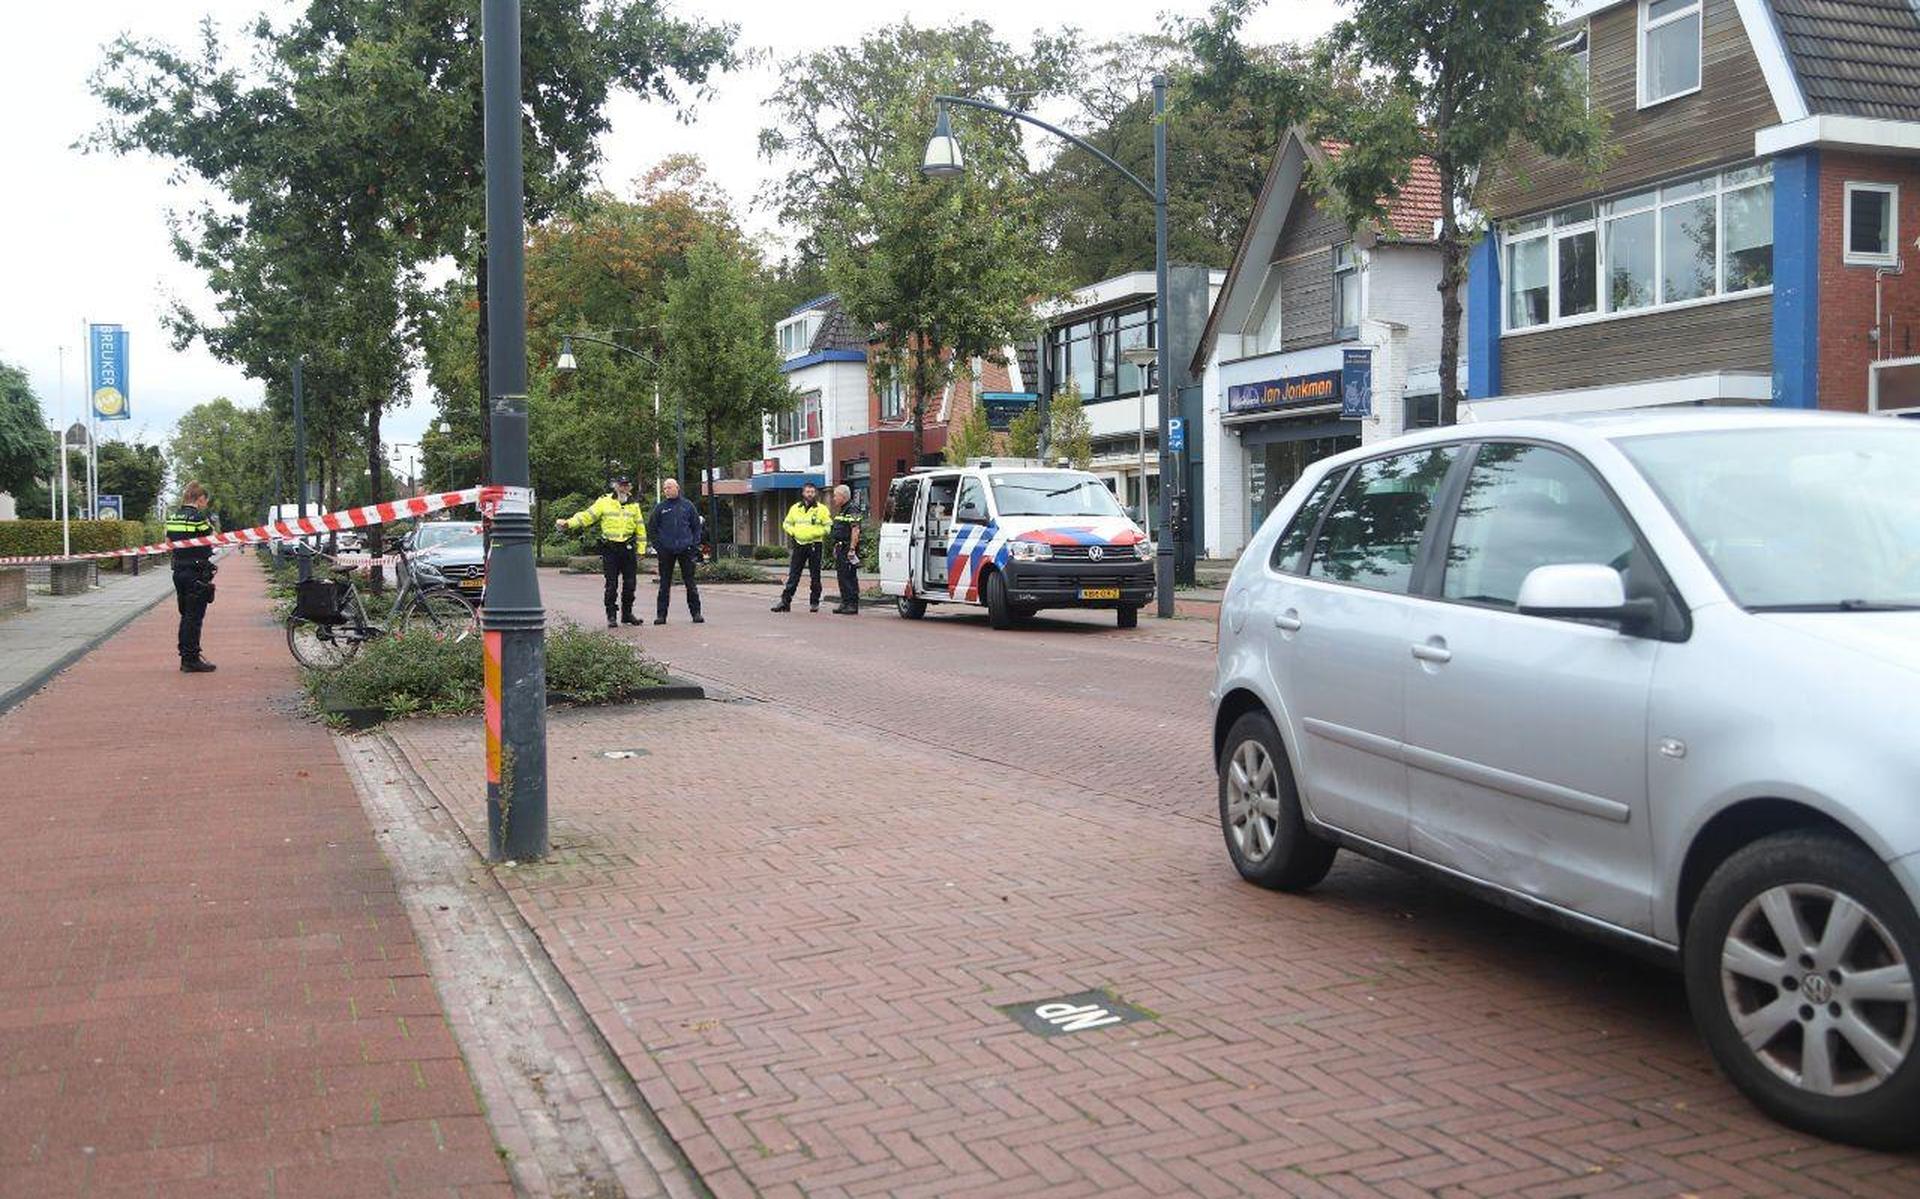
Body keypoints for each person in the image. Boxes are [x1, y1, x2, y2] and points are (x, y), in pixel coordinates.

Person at [557, 475, 646, 628]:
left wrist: (642, 549)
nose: (624, 487)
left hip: (628, 548)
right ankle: (611, 615)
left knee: (630, 584)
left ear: (630, 487)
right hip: (611, 549)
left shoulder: (634, 505)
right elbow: (587, 516)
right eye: (621, 485)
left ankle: (627, 614)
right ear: (616, 486)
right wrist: (568, 523)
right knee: (611, 584)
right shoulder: (604, 502)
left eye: (626, 485)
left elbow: (640, 528)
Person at [166, 481, 218, 673]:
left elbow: (168, 541)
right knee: (194, 616)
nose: (206, 504)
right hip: (196, 571)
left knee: (186, 613)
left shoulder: (172, 517)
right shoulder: (198, 518)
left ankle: (186, 655)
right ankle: (191, 658)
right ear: (201, 498)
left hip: (178, 570)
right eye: (206, 501)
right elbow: (212, 536)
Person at [646, 477, 705, 625]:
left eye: (669, 487)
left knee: (690, 583)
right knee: (664, 584)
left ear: (677, 488)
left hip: (686, 549)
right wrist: (659, 547)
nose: (666, 490)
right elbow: (652, 529)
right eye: (665, 488)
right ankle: (661, 615)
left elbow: (696, 527)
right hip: (666, 550)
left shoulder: (688, 506)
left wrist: (693, 545)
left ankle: (696, 613)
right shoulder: (660, 508)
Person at [771, 482, 833, 613]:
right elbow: (786, 523)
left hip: (814, 545)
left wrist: (814, 533)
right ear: (803, 493)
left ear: (815, 493)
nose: (810, 494)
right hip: (799, 544)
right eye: (807, 492)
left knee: (815, 576)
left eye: (812, 492)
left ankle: (814, 602)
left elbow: (828, 527)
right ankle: (785, 602)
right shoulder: (795, 508)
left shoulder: (821, 509)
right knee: (794, 574)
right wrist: (793, 532)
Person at [829, 484, 863, 615]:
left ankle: (852, 604)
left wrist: (852, 549)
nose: (834, 498)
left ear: (843, 496)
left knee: (849, 577)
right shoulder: (843, 509)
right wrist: (836, 545)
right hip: (840, 547)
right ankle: (844, 602)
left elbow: (855, 530)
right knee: (842, 576)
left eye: (835, 496)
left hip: (848, 547)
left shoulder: (852, 509)